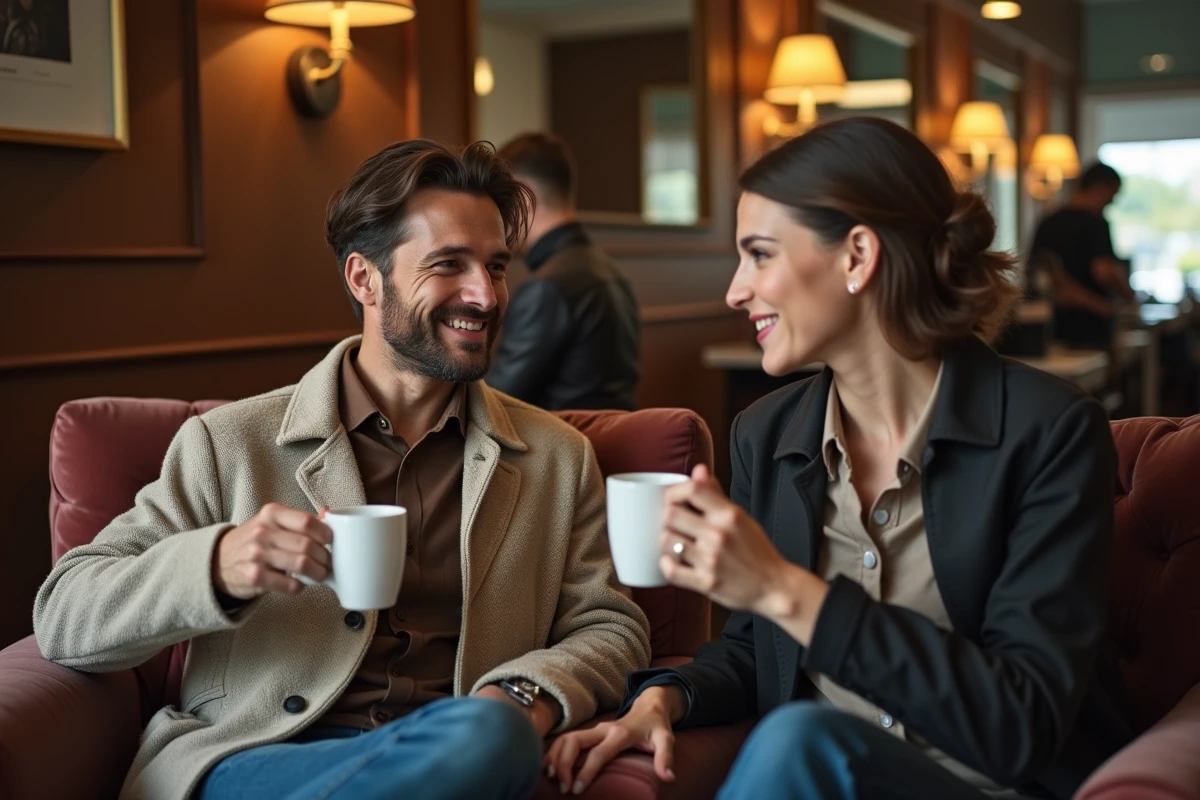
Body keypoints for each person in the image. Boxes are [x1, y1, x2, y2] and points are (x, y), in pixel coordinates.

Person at [33, 140, 651, 800]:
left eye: (496, 267)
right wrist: (216, 564)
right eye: (449, 265)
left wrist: (519, 695)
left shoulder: (555, 457)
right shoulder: (228, 444)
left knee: (491, 735)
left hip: (457, 754)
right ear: (364, 279)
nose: (486, 294)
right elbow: (67, 616)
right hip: (261, 760)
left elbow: (611, 625)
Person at [546, 118, 1132, 799]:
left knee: (799, 737)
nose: (736, 290)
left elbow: (1021, 725)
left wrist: (783, 589)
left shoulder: (1049, 432)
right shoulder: (767, 434)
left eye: (760, 255)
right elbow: (756, 648)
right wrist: (664, 699)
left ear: (857, 255)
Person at [486, 132, 640, 410]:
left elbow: (495, 404)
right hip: (610, 441)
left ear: (524, 199)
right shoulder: (610, 270)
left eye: (501, 202)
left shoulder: (546, 287)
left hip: (566, 447)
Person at [1031, 162, 1134, 351]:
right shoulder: (1096, 223)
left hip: (1052, 325)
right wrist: (1126, 296)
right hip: (1090, 328)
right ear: (1101, 188)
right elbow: (1103, 271)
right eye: (1112, 196)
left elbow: (1041, 276)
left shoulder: (1047, 222)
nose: (1111, 202)